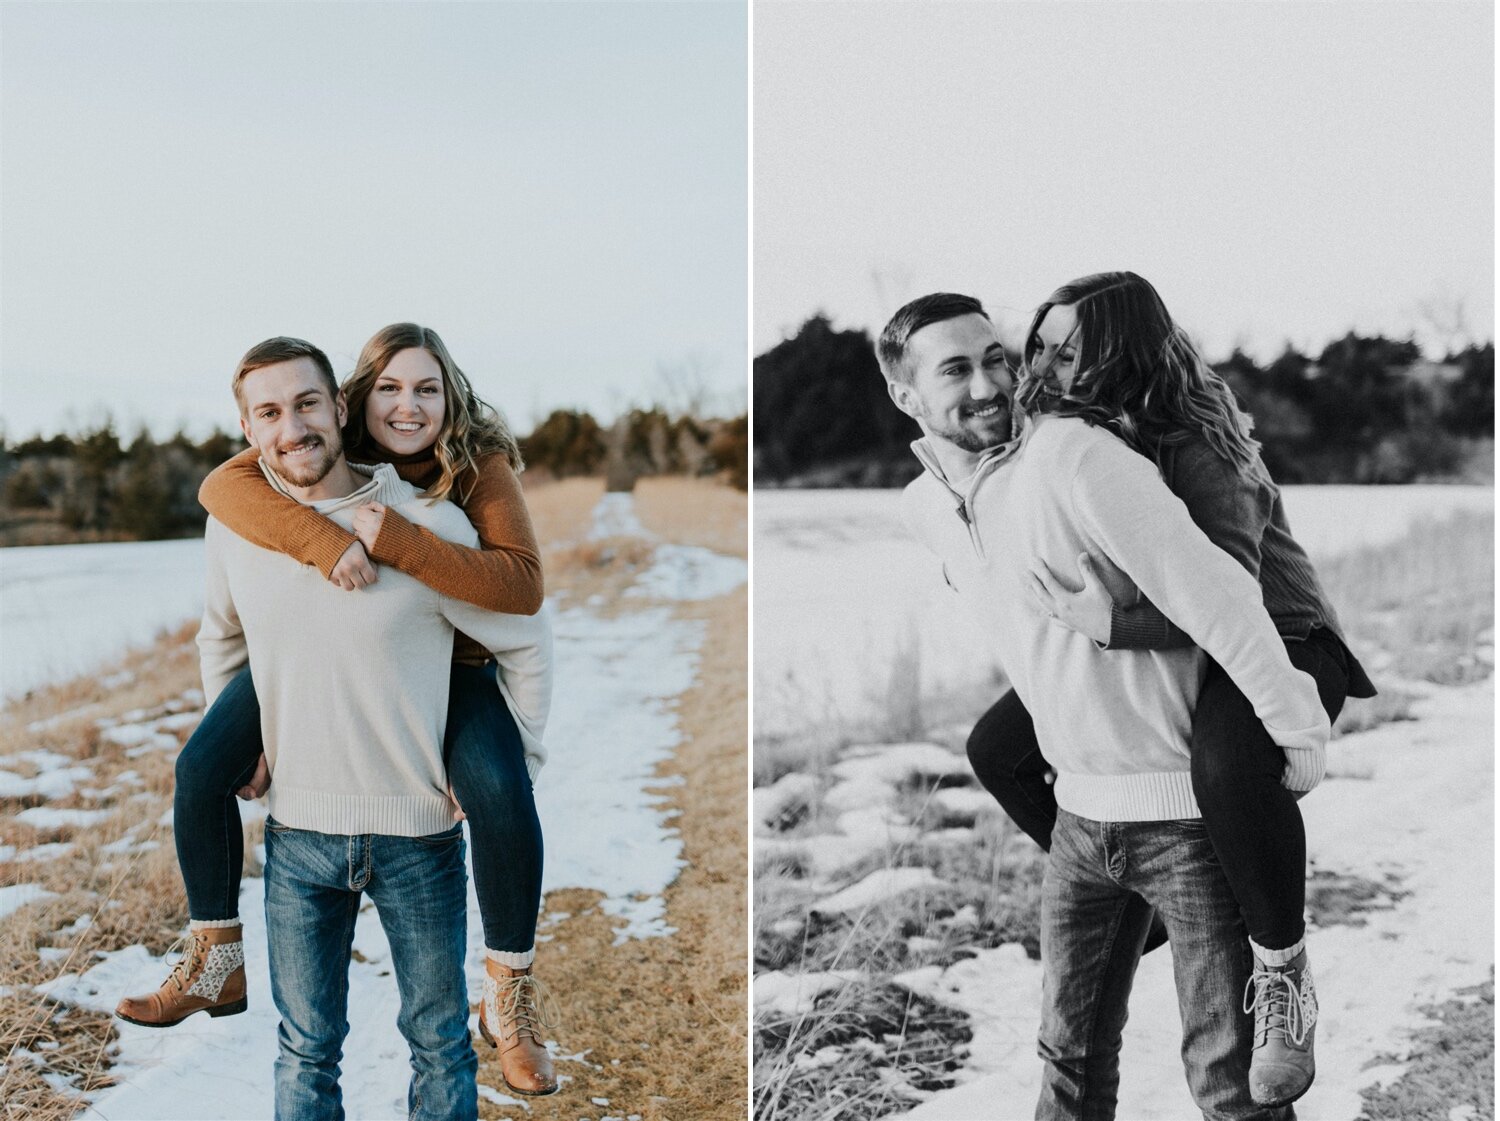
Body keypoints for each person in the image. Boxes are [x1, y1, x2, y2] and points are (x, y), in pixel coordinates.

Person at [880, 292, 1331, 1120]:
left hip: (1185, 818)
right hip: (1079, 830)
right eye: (955, 369)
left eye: (994, 357)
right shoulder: (927, 508)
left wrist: (1294, 720)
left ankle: (1285, 972)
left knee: (1232, 1085)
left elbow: (1224, 594)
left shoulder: (1074, 455)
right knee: (1067, 1063)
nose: (990, 382)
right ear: (906, 396)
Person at [115, 326, 561, 1099]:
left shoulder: (445, 504)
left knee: (438, 1045)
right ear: (249, 429)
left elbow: (523, 615)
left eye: (307, 404)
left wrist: (516, 752)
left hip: (420, 817)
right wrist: (251, 739)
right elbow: (220, 629)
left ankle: (511, 990)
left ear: (334, 406)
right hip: (300, 836)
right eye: (269, 414)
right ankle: (213, 953)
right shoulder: (240, 516)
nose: (292, 428)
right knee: (304, 1052)